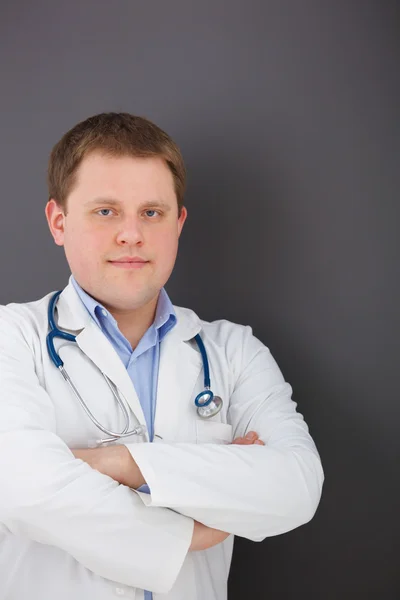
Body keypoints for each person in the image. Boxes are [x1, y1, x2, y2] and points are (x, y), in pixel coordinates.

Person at [0, 112, 324, 600]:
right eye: (105, 211)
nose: (131, 234)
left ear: (178, 223)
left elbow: (297, 486)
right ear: (58, 222)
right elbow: (22, 486)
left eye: (151, 212)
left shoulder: (233, 352)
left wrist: (118, 462)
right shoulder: (11, 337)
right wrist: (191, 532)